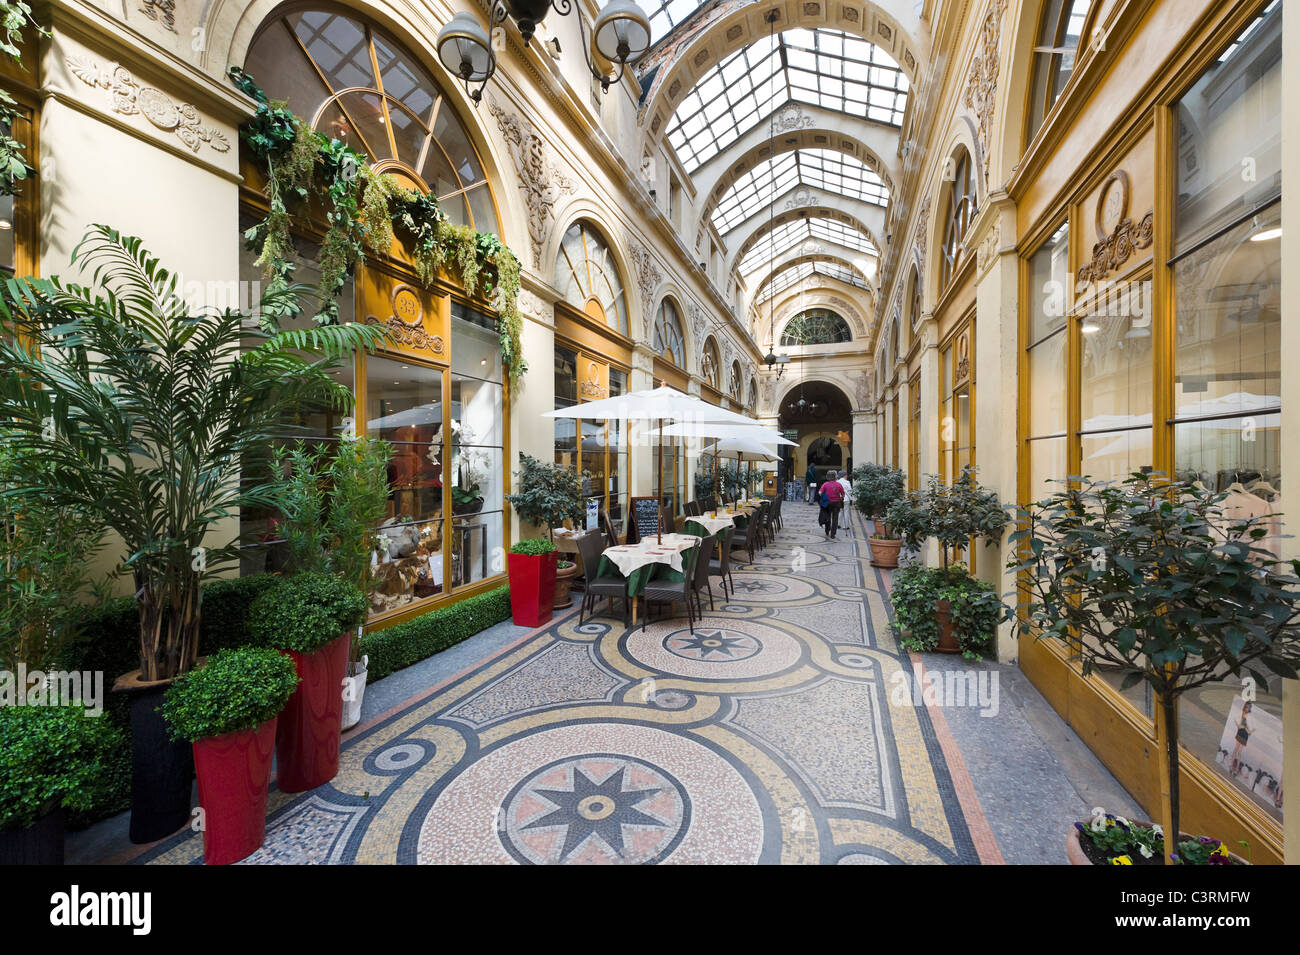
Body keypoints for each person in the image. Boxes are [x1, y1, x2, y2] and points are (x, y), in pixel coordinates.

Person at [819, 469, 846, 539]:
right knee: (835, 518)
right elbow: (843, 494)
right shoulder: (839, 484)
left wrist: (824, 497)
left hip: (828, 503)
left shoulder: (825, 484)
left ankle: (827, 530)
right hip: (836, 503)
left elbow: (820, 493)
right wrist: (840, 497)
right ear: (835, 477)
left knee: (827, 517)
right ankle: (833, 534)